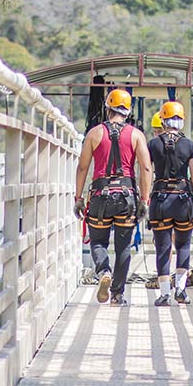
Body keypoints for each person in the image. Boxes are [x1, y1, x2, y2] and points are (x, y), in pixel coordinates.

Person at [75, 88, 152, 306]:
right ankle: (118, 294)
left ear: (107, 108)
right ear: (128, 111)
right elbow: (146, 169)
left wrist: (78, 197)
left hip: (100, 196)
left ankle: (103, 271)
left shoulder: (94, 133)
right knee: (123, 247)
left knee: (98, 241)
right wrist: (144, 200)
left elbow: (82, 167)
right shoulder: (136, 135)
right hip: (126, 197)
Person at [146, 101, 193, 307]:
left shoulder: (153, 144)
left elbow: (146, 172)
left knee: (163, 248)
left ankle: (164, 295)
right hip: (183, 201)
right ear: (182, 120)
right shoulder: (189, 145)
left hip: (160, 200)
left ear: (163, 120)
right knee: (183, 245)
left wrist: (144, 198)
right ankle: (180, 290)